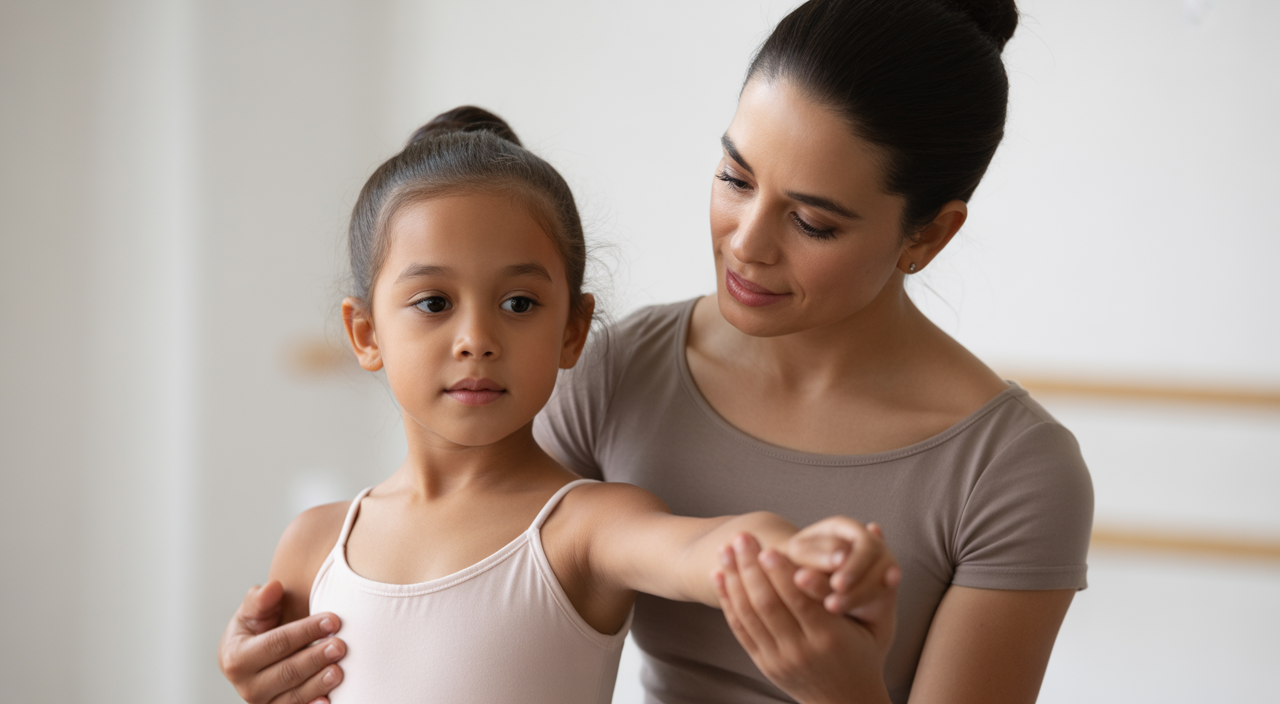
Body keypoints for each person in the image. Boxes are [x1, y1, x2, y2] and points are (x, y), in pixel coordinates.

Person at [219, 0, 1094, 702]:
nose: (746, 243)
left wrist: (844, 693)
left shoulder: (1012, 469)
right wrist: (296, 657)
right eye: (734, 177)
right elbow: (482, 572)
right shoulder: (617, 368)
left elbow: (677, 544)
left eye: (812, 220)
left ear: (928, 236)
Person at [235, 106, 899, 704]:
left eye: (519, 304)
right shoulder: (314, 546)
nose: (476, 340)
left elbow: (701, 546)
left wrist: (806, 551)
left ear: (573, 331)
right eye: (434, 303)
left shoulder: (583, 527)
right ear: (366, 333)